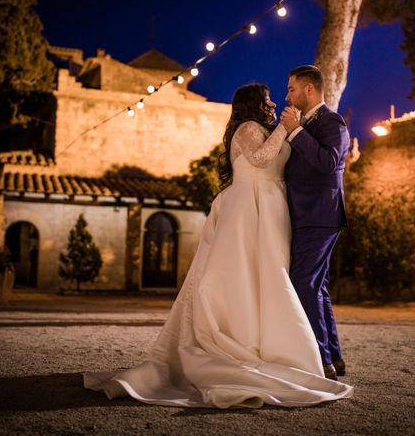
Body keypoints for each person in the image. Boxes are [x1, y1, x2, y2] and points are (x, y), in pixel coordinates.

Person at [84, 83, 352, 408]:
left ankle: (276, 346)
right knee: (247, 273)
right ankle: (243, 344)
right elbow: (261, 158)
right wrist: (285, 127)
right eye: (266, 98)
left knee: (270, 275)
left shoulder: (271, 127)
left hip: (273, 208)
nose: (272, 102)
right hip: (251, 207)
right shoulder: (247, 128)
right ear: (253, 103)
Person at [279, 65, 350, 381]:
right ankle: (333, 357)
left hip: (320, 215)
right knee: (317, 286)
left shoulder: (332, 122)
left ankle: (321, 362)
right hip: (306, 215)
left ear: (310, 89)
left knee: (303, 283)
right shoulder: (306, 123)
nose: (287, 96)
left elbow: (328, 162)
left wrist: (295, 131)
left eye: (292, 89)